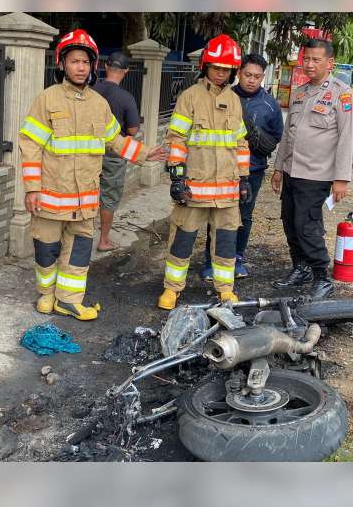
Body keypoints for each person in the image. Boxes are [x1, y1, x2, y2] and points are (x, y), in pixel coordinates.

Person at [19, 29, 166, 321]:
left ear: (93, 66)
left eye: (85, 62)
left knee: (78, 251)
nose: (80, 67)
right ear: (62, 64)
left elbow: (116, 139)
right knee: (46, 249)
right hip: (50, 195)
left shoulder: (99, 104)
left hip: (84, 198)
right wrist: (32, 188)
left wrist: (144, 153)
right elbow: (30, 146)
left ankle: (69, 300)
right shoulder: (46, 100)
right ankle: (47, 295)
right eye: (74, 61)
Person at [157, 33, 250, 310]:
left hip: (227, 190)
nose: (221, 73)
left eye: (226, 69)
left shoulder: (234, 101)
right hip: (194, 188)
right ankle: (172, 290)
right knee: (182, 240)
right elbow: (176, 139)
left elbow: (241, 143)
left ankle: (225, 290)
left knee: (225, 243)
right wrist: (176, 177)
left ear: (233, 71)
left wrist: (243, 179)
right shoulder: (190, 97)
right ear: (206, 66)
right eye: (216, 67)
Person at [270, 38, 353, 299]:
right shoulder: (300, 92)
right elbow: (288, 134)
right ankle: (301, 267)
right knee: (289, 221)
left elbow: (346, 137)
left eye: (315, 60)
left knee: (306, 225)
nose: (309, 64)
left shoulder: (342, 94)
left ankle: (322, 276)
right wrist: (278, 167)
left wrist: (341, 178)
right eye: (306, 58)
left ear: (329, 63)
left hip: (316, 174)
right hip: (291, 172)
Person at [200, 53, 283, 280]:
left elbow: (276, 137)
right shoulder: (223, 96)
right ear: (239, 73)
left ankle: (237, 258)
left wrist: (256, 136)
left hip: (253, 170)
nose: (252, 80)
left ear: (262, 77)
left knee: (244, 216)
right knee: (217, 215)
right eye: (247, 75)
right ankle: (210, 261)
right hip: (221, 169)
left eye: (257, 76)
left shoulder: (270, 105)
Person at [92, 52, 142, 252]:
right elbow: (132, 130)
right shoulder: (126, 98)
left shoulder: (91, 92)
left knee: (83, 192)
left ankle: (79, 237)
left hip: (88, 149)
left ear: (105, 66)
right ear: (126, 71)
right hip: (114, 151)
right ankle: (104, 240)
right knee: (109, 196)